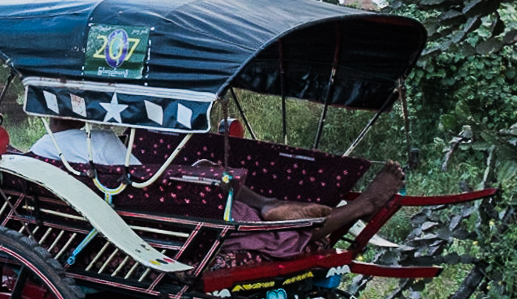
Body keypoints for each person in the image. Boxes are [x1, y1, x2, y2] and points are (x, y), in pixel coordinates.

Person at [27, 116, 403, 246]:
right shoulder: (105, 142)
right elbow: (141, 176)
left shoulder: (42, 153)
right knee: (222, 184)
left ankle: (274, 207)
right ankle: (278, 206)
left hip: (132, 220)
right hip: (153, 214)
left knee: (213, 179)